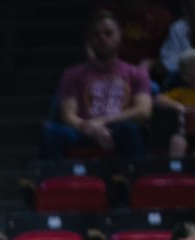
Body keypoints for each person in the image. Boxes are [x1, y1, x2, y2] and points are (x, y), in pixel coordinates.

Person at [41, 11, 152, 160]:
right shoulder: (72, 73)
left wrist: (103, 122)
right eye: (96, 34)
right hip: (83, 131)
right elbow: (68, 115)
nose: (102, 38)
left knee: (130, 130)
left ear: (120, 36)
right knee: (52, 132)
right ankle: (53, 181)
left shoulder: (136, 73)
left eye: (108, 33)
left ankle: (132, 179)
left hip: (118, 129)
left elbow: (143, 111)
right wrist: (93, 129)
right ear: (89, 40)